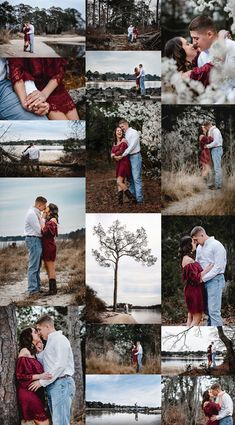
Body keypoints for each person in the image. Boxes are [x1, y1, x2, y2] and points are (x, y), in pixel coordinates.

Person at [29, 315, 75, 425]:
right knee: (57, 422)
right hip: (53, 385)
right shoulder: (50, 341)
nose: (38, 333)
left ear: (47, 326)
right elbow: (48, 364)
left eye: (39, 329)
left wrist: (41, 382)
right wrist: (40, 352)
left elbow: (60, 365)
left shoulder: (60, 339)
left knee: (61, 423)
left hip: (61, 384)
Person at [8, 58, 79, 120]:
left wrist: (44, 94)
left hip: (56, 88)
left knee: (76, 126)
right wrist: (25, 101)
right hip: (36, 90)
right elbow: (16, 71)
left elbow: (61, 69)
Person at [190, 226, 227, 326]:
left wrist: (203, 278)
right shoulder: (199, 248)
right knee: (207, 311)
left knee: (214, 312)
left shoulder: (216, 245)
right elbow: (197, 264)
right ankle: (209, 334)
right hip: (202, 281)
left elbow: (218, 267)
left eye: (196, 239)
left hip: (215, 280)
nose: (195, 242)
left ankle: (216, 335)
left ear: (202, 234)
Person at [16, 327, 52, 425]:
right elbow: (20, 376)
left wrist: (40, 351)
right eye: (35, 332)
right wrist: (40, 376)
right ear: (29, 336)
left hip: (35, 391)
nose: (38, 334)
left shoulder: (33, 353)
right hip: (27, 391)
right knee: (44, 422)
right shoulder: (24, 351)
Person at [179, 235, 214, 326]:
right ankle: (189, 338)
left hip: (191, 289)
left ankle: (186, 338)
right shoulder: (188, 260)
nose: (195, 243)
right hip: (194, 291)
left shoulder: (186, 258)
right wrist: (208, 268)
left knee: (190, 316)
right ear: (188, 245)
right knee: (197, 318)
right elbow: (196, 278)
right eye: (193, 242)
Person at [114, 119, 143, 203]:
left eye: (122, 126)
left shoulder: (134, 132)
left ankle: (139, 200)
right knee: (130, 179)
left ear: (126, 124)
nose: (122, 128)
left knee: (136, 178)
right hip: (127, 158)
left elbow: (131, 147)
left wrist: (122, 155)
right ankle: (133, 198)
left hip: (135, 157)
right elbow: (121, 146)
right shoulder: (124, 135)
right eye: (120, 127)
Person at [24, 196, 47, 295]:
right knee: (33, 266)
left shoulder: (36, 213)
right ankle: (33, 290)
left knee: (37, 266)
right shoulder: (32, 214)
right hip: (33, 239)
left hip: (36, 239)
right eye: (44, 206)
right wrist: (44, 218)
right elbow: (40, 230)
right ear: (39, 205)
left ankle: (37, 288)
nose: (44, 209)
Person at [111, 126, 136, 205]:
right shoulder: (114, 143)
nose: (119, 132)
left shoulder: (124, 141)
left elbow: (121, 151)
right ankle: (120, 201)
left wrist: (114, 155)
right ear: (115, 133)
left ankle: (131, 198)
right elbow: (111, 154)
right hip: (118, 163)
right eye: (117, 131)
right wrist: (114, 156)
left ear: (122, 133)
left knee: (119, 181)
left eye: (120, 131)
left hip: (124, 162)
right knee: (120, 182)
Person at [39, 203, 58, 295]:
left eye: (46, 207)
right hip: (48, 245)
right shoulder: (50, 220)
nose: (45, 208)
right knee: (48, 267)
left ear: (50, 210)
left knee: (50, 268)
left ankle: (52, 290)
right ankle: (53, 289)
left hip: (49, 246)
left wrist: (42, 218)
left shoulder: (52, 220)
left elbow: (44, 230)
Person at [202, 121, 223, 190]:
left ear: (208, 126)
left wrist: (207, 146)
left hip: (217, 149)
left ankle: (218, 186)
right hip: (214, 150)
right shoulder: (212, 131)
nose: (206, 128)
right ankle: (214, 184)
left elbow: (216, 142)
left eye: (206, 127)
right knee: (214, 168)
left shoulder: (215, 131)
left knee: (217, 168)